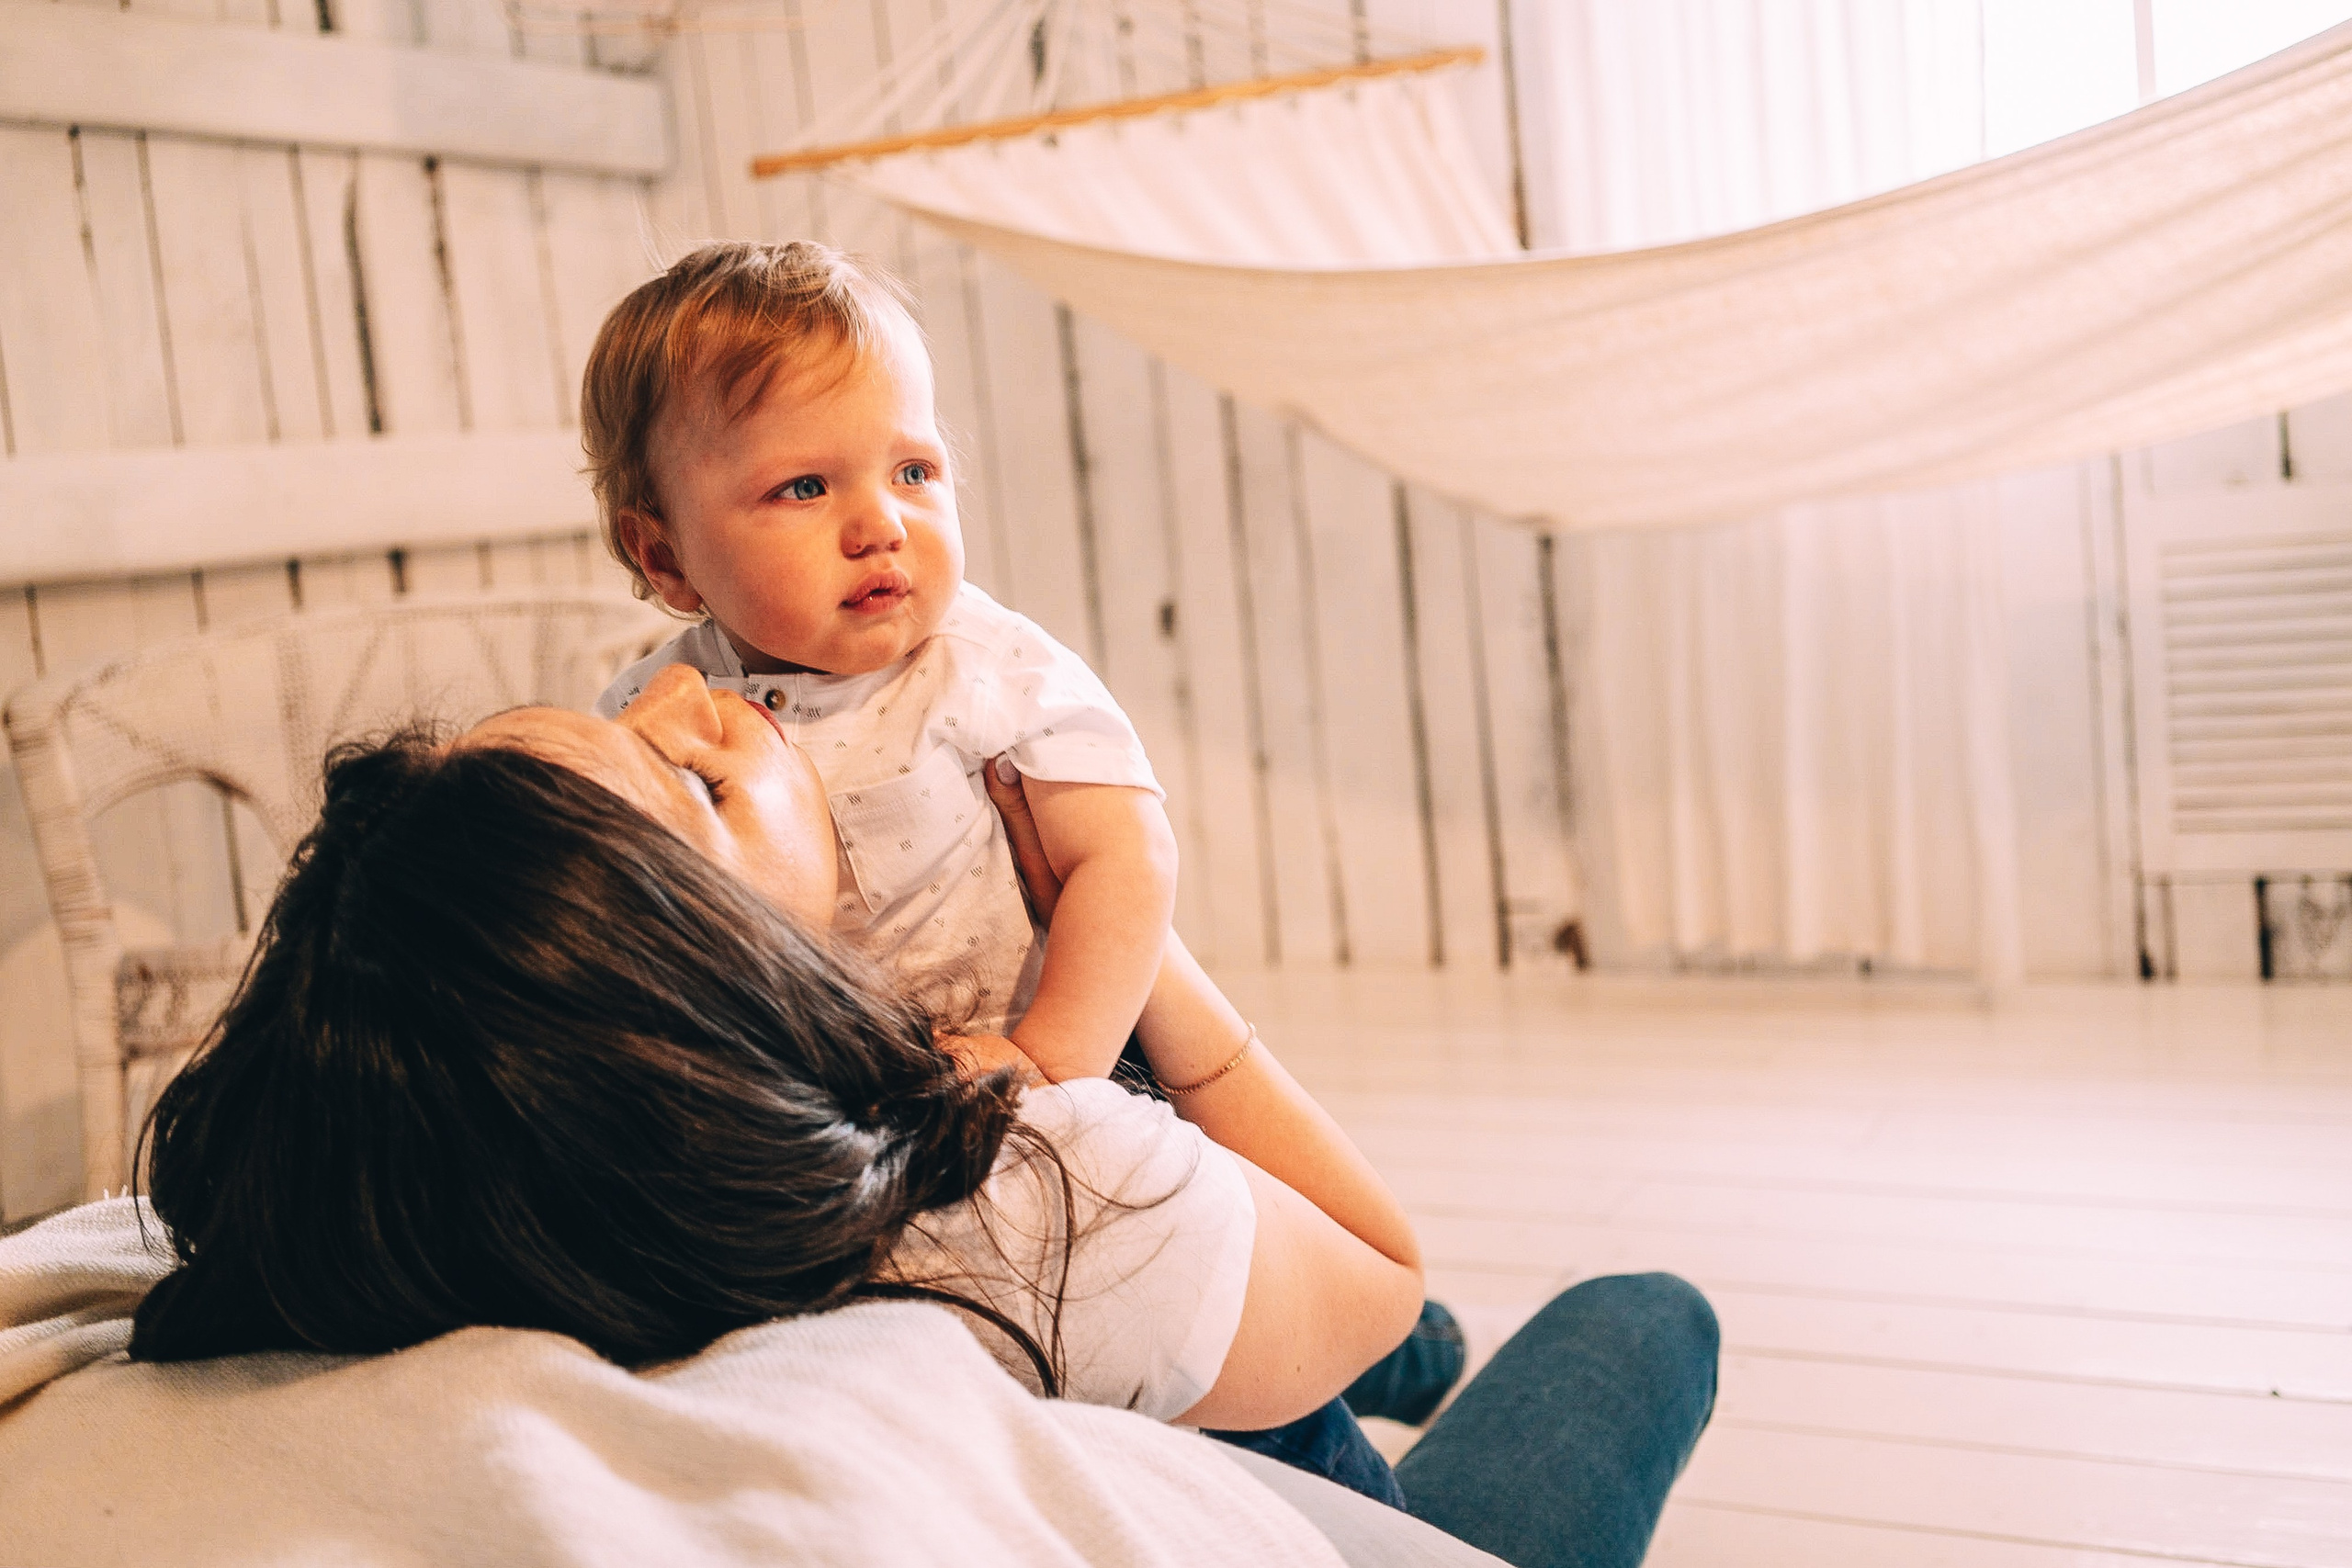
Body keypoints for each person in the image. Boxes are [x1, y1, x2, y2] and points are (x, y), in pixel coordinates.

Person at [0, 675, 1718, 1567]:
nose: (694, 703)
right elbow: (1369, 1262)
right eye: (687, 781)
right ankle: (1426, 1378)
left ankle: (1391, 1367)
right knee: (1642, 1320)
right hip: (1290, 1470)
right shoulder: (1030, 1190)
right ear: (707, 982)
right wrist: (1161, 978)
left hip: (1166, 1328)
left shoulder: (427, 1188)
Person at [577, 237, 1456, 1493]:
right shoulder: (667, 711)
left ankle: (1347, 1412)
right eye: (803, 490)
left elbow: (1121, 858)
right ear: (661, 558)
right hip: (873, 1126)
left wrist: (1057, 1053)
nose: (882, 522)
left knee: (1242, 1388)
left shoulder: (984, 665)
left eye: (915, 469)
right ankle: (1398, 1346)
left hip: (1069, 1048)